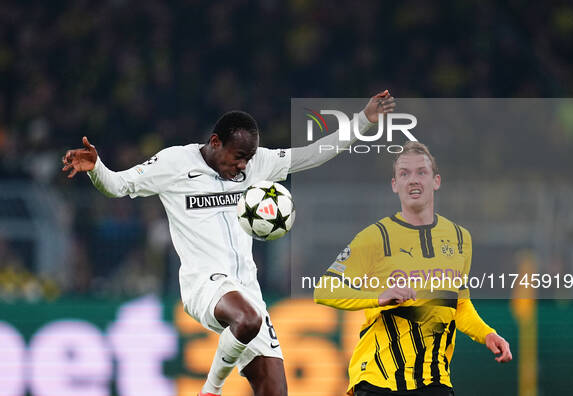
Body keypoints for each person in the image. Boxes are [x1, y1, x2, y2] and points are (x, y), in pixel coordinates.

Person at [61, 91, 396, 396]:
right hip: (203, 285)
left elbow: (313, 155)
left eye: (248, 158)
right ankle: (210, 391)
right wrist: (96, 168)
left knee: (274, 389)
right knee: (247, 320)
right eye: (238, 156)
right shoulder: (174, 164)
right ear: (215, 142)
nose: (243, 166)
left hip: (247, 288)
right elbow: (119, 186)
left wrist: (363, 120)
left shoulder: (256, 164)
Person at [314, 141, 512, 396]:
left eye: (421, 172)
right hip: (379, 380)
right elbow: (324, 289)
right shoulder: (375, 237)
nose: (413, 180)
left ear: (436, 181)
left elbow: (459, 304)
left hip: (435, 380)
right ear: (395, 185)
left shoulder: (460, 238)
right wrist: (377, 297)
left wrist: (487, 334)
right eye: (404, 174)